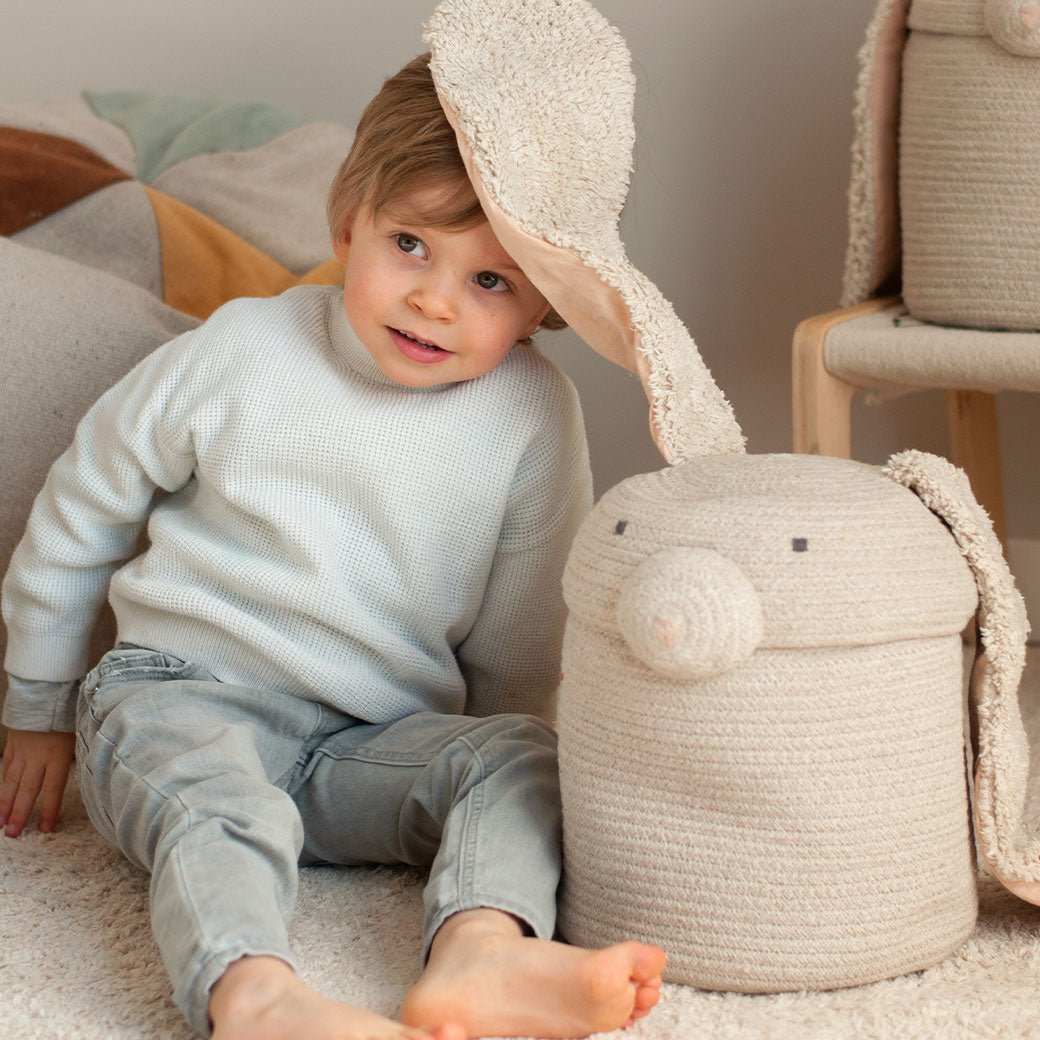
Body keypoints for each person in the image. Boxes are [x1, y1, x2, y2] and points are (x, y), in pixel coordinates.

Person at [0, 53, 667, 1040]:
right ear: (349, 223)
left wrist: (463, 756)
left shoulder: (533, 412)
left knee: (523, 756)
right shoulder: (240, 350)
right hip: (181, 694)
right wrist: (40, 703)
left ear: (545, 306)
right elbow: (83, 504)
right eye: (410, 244)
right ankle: (254, 993)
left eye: (490, 280)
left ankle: (480, 946)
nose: (435, 300)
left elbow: (526, 625)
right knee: (219, 809)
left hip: (366, 743)